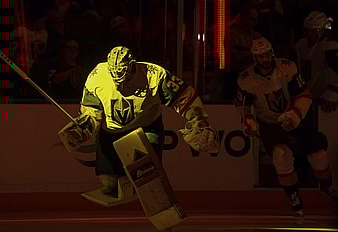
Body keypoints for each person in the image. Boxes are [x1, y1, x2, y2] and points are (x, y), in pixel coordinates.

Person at [59, 45, 219, 201]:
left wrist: (199, 119)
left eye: (123, 73)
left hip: (145, 127)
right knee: (108, 180)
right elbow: (91, 108)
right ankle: (124, 182)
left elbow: (183, 96)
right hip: (110, 131)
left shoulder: (154, 75)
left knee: (145, 175)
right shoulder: (97, 76)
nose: (118, 80)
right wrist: (85, 124)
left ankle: (142, 185)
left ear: (132, 65)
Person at [234, 37, 338, 216]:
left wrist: (296, 114)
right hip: (270, 123)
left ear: (272, 52)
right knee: (281, 157)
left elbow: (304, 94)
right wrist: (248, 120)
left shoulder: (287, 68)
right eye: (260, 56)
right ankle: (294, 196)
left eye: (267, 54)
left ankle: (327, 187)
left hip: (294, 115)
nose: (265, 59)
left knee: (319, 154)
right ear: (254, 58)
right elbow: (242, 105)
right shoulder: (246, 80)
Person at [295, 11, 338, 114]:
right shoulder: (300, 45)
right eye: (307, 30)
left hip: (324, 99)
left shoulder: (329, 47)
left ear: (322, 30)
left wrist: (333, 93)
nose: (309, 33)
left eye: (314, 30)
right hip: (307, 97)